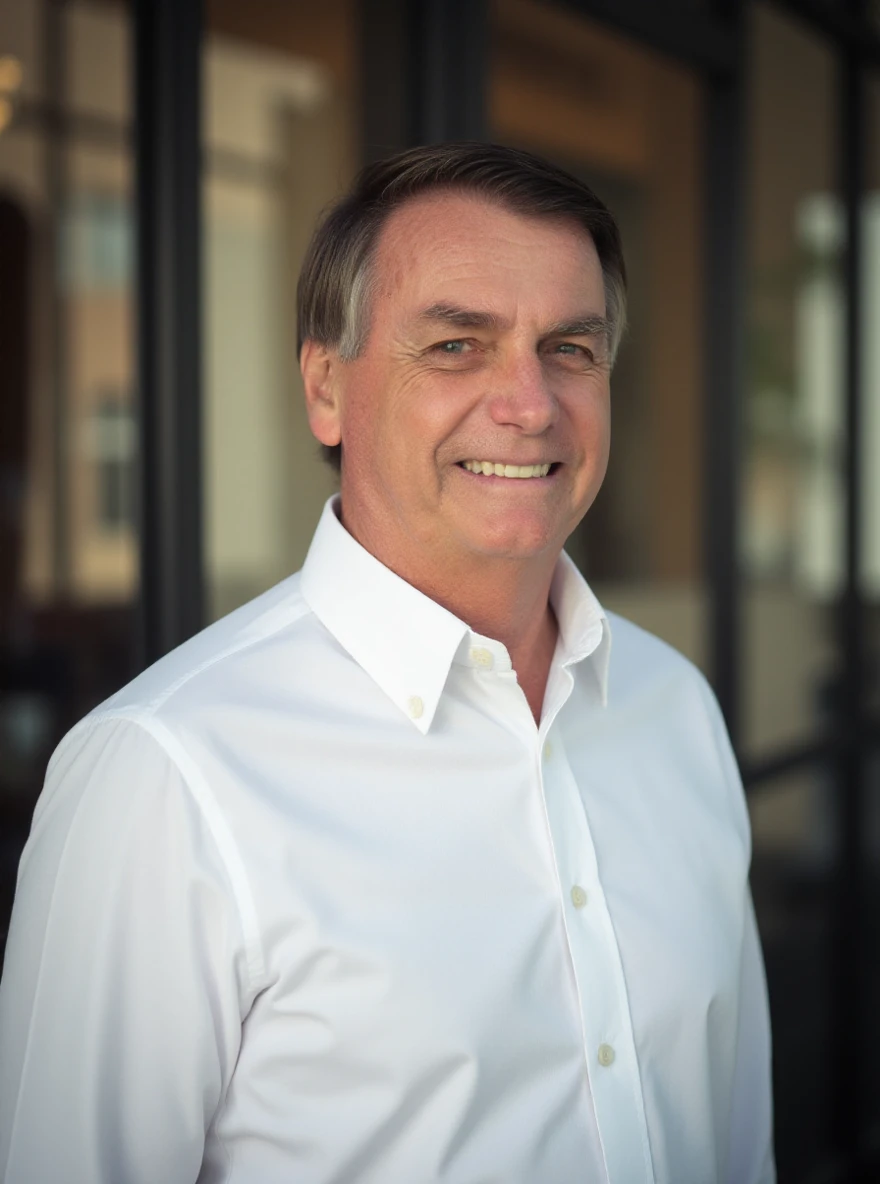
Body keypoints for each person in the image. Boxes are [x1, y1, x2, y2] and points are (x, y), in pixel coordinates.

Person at [0, 142, 774, 1183]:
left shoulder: (673, 708)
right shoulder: (165, 777)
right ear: (326, 387)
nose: (530, 402)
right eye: (457, 345)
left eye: (571, 349)